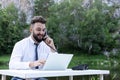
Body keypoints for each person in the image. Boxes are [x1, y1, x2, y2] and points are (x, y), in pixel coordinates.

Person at [9, 16, 57, 80]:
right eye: (38, 29)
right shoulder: (20, 44)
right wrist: (32, 64)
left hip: (39, 78)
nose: (42, 33)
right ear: (31, 30)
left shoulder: (46, 45)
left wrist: (52, 47)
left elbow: (57, 64)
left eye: (43, 30)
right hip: (21, 78)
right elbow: (12, 65)